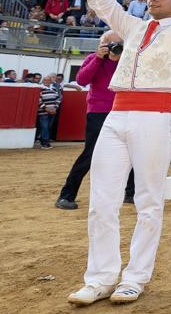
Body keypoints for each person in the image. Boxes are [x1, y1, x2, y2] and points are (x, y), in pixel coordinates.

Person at [66, 0, 171, 307]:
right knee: (101, 201)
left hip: (153, 118)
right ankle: (100, 278)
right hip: (115, 116)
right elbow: (99, 0)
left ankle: (136, 277)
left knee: (148, 202)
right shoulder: (133, 27)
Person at [55, 31, 136, 209]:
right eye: (112, 44)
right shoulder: (94, 58)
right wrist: (99, 59)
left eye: (120, 43)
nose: (116, 47)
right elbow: (82, 80)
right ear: (103, 46)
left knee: (134, 153)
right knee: (91, 154)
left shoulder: (129, 60)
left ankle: (131, 193)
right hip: (99, 112)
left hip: (125, 110)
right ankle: (66, 195)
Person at [37, 74, 61, 149]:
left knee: (48, 126)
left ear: (51, 81)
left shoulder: (54, 89)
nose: (47, 81)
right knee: (44, 127)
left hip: (52, 111)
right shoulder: (40, 89)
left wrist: (55, 108)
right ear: (42, 81)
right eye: (45, 80)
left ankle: (44, 141)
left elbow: (57, 99)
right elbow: (39, 101)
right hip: (43, 111)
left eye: (48, 80)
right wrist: (46, 109)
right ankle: (45, 143)